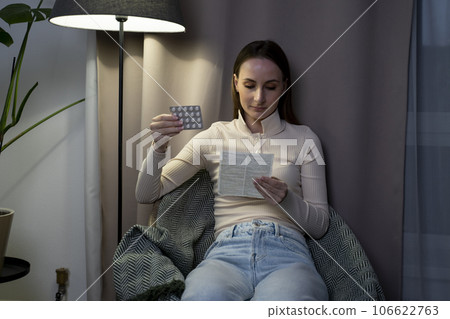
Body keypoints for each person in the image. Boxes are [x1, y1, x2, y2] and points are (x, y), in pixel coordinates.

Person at [136, 40, 329, 301]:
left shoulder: (305, 139)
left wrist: (287, 199)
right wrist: (158, 147)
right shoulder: (215, 136)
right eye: (250, 85)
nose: (259, 98)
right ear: (236, 82)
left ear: (285, 86)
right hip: (226, 253)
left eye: (270, 87)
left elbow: (320, 226)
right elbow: (147, 194)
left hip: (287, 254)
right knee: (200, 300)